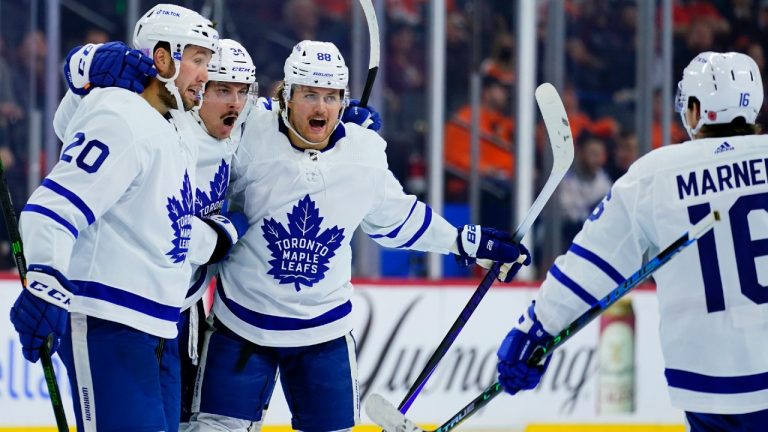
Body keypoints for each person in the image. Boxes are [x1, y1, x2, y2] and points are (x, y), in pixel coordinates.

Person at [188, 40, 531, 432]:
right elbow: (201, 128)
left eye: (332, 97)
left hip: (324, 333)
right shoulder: (249, 132)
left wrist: (463, 241)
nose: (321, 107)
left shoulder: (363, 152)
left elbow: (397, 218)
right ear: (287, 95)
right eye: (310, 95)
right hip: (241, 325)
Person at [58, 34, 383, 431]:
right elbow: (161, 226)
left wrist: (337, 123)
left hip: (184, 307)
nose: (235, 102)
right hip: (120, 303)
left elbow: (279, 118)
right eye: (221, 89)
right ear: (199, 88)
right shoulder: (165, 131)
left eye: (241, 91)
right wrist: (82, 68)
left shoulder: (237, 131)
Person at [496, 51, 768, 430]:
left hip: (714, 384)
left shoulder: (655, 175)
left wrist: (534, 330)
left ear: (693, 109)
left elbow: (589, 265)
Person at [8, 4, 220, 431]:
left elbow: (160, 221)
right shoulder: (122, 115)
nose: (205, 75)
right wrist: (46, 283)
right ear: (163, 58)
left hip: (158, 328)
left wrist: (217, 236)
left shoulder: (176, 127)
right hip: (108, 321)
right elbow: (52, 208)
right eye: (197, 60)